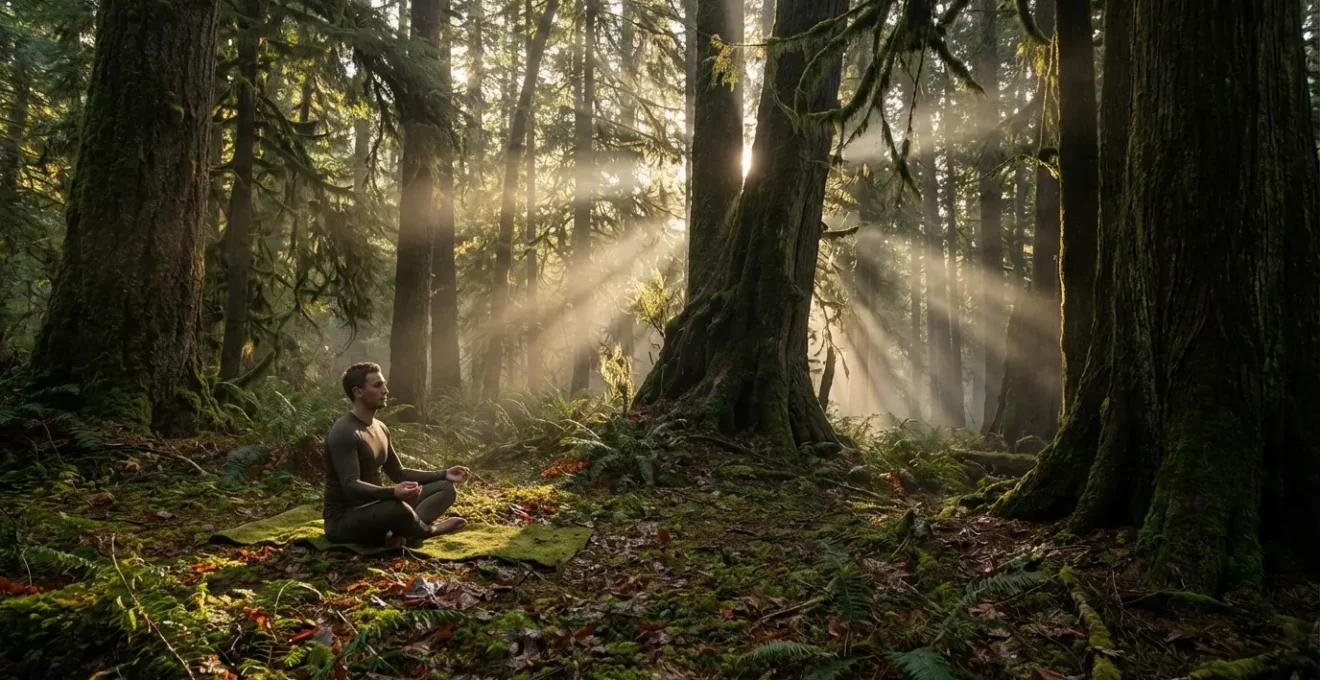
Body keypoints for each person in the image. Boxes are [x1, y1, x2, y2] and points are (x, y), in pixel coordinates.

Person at [322, 362, 470, 548]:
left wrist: (444, 473)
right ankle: (428, 530)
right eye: (377, 386)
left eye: (384, 384)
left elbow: (398, 473)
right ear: (358, 392)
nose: (385, 390)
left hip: (378, 508)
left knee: (445, 488)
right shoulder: (345, 432)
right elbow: (350, 485)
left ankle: (398, 532)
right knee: (395, 508)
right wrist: (392, 493)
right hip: (344, 521)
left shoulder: (380, 427)